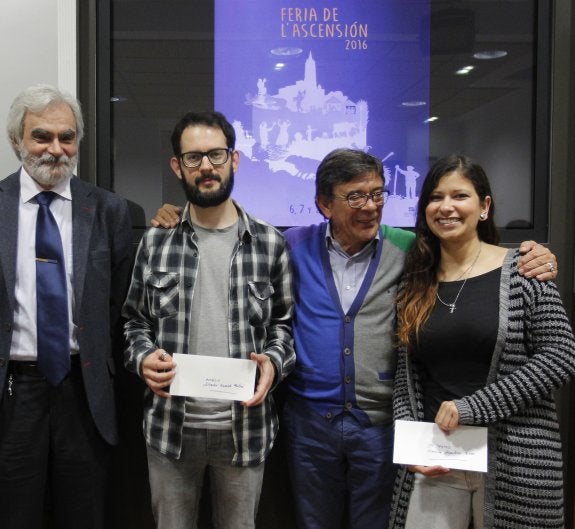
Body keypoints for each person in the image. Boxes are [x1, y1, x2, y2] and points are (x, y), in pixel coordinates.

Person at [152, 148, 557, 529]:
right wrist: (175, 215)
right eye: (356, 196)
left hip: (379, 424)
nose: (371, 206)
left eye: (377, 194)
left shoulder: (409, 248)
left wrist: (532, 255)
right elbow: (234, 236)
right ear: (325, 204)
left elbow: (468, 254)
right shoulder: (292, 245)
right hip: (310, 424)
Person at [122, 110, 295, 529]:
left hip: (244, 428)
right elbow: (134, 322)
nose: (206, 167)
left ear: (233, 159)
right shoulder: (156, 241)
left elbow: (284, 326)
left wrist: (274, 362)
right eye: (193, 157)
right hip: (171, 427)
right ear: (177, 166)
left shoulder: (270, 243)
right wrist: (142, 358)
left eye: (216, 155)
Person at [389, 154, 575, 529]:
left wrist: (473, 407)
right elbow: (408, 377)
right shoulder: (414, 282)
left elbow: (560, 356)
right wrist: (409, 440)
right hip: (438, 457)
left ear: (484, 206)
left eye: (460, 196)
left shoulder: (524, 271)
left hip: (516, 460)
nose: (446, 207)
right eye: (436, 197)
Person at [0, 84, 133, 529]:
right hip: (14, 393)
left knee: (85, 513)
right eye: (42, 136)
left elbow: (119, 304)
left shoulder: (110, 210)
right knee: (14, 513)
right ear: (16, 140)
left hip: (84, 390)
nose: (56, 149)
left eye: (67, 137)